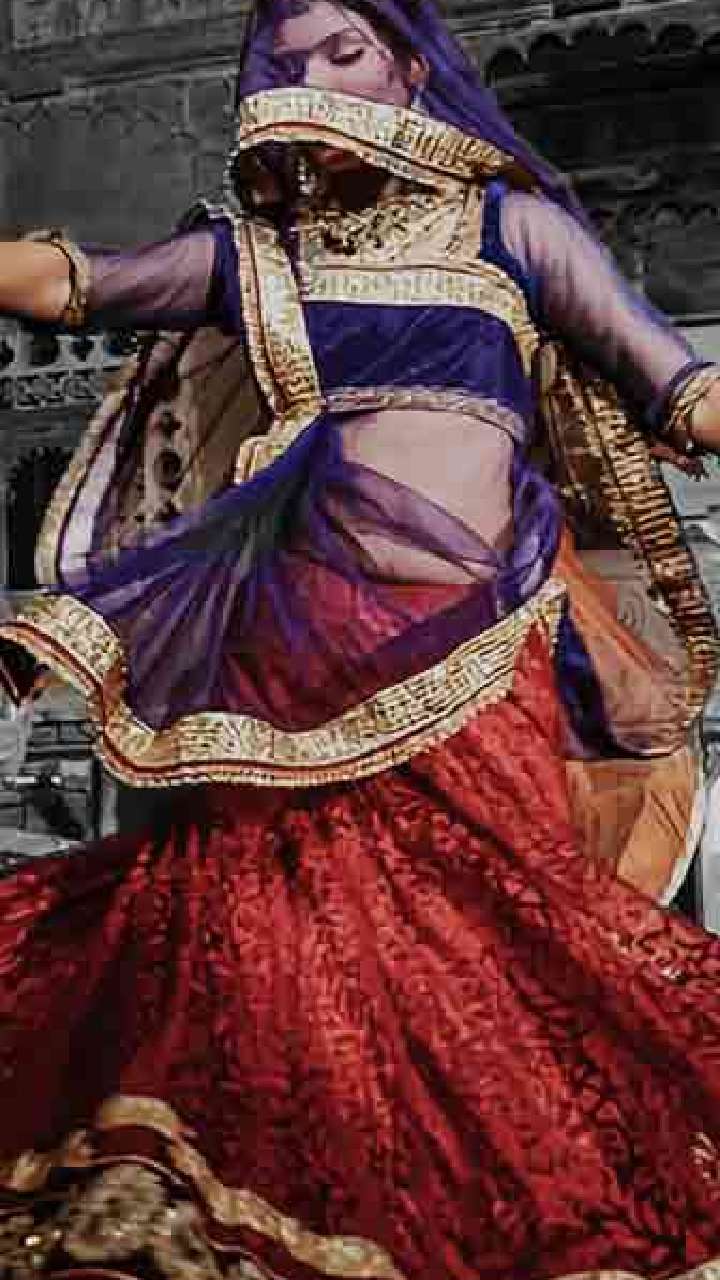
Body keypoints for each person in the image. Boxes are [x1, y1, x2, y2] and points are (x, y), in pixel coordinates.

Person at [1, 1, 720, 1276]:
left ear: (407, 66)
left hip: (474, 653)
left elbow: (679, 383)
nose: (314, 79)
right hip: (291, 650)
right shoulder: (263, 257)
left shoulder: (510, 230)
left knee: (489, 932)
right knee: (267, 939)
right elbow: (78, 283)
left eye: (345, 52)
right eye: (288, 61)